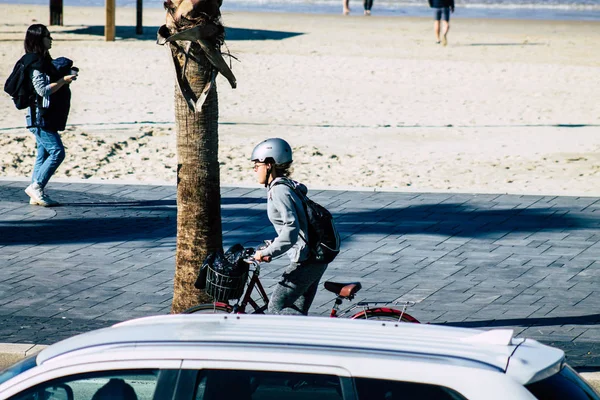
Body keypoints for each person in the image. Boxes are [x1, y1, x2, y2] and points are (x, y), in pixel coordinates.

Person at [251, 138, 328, 315]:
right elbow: (297, 226)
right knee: (296, 312)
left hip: (307, 260)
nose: (255, 170)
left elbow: (291, 229)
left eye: (257, 165)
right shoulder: (286, 186)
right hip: (314, 257)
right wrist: (273, 245)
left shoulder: (279, 190)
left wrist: (266, 253)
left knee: (276, 307)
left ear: (269, 164)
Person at [22, 24, 77, 207]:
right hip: (39, 117)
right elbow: (42, 90)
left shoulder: (44, 60)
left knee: (43, 154)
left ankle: (35, 193)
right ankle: (36, 187)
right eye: (48, 36)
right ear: (39, 39)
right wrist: (63, 80)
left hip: (44, 116)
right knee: (57, 152)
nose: (51, 39)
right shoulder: (36, 63)